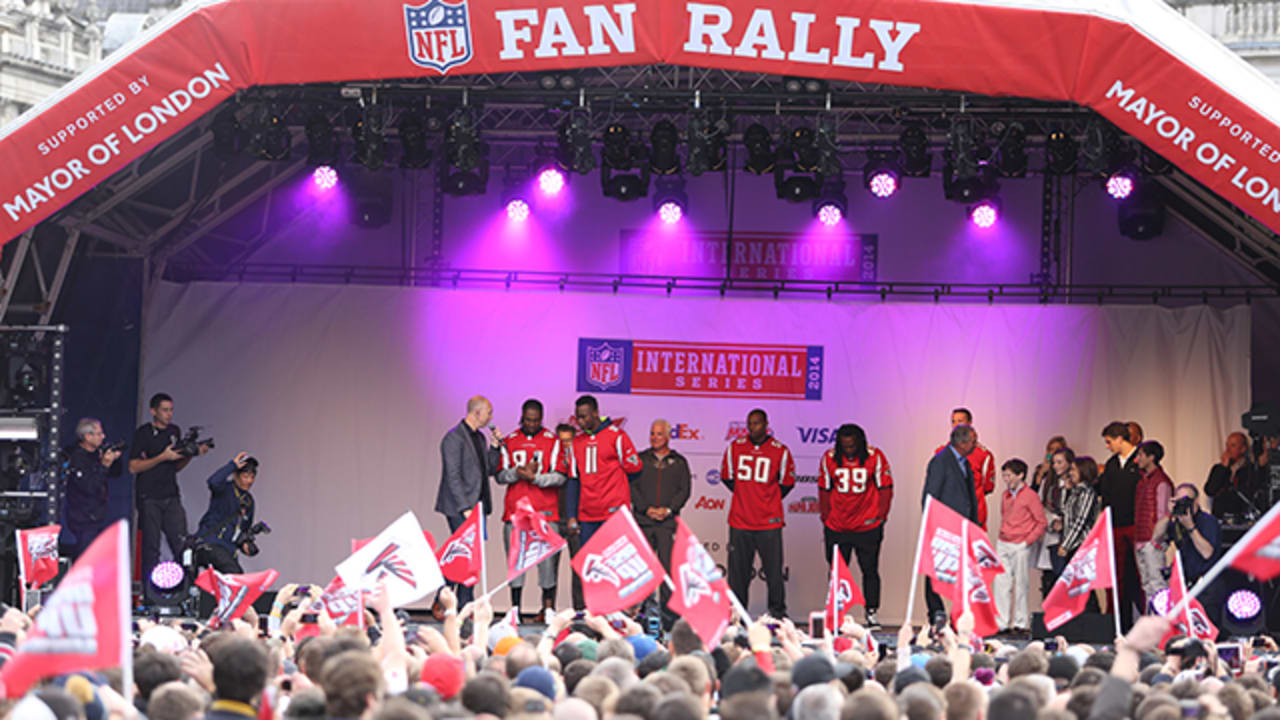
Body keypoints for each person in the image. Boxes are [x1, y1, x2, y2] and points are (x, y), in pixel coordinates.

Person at [721, 408, 796, 619]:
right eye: (750, 423)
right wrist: (747, 495)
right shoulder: (735, 447)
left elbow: (787, 483)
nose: (752, 427)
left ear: (766, 424)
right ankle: (738, 614)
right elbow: (728, 478)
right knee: (738, 574)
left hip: (768, 522)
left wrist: (766, 498)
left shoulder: (780, 450)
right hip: (740, 520)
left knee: (773, 572)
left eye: (757, 423)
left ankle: (778, 613)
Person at [496, 399, 567, 621]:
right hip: (516, 512)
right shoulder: (510, 440)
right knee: (516, 561)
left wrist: (535, 478)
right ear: (522, 417)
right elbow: (499, 476)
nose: (532, 424)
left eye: (536, 420)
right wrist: (518, 473)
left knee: (547, 563)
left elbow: (560, 476)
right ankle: (515, 610)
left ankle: (546, 609)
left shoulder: (552, 441)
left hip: (545, 510)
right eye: (528, 420)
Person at [817, 423, 893, 630]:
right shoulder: (830, 457)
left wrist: (880, 517)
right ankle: (836, 613)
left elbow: (885, 488)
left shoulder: (874, 456)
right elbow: (824, 490)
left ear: (859, 443)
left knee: (870, 570)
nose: (848, 450)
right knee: (836, 573)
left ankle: (871, 613)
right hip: (837, 526)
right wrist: (826, 517)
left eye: (852, 446)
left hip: (867, 526)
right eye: (845, 446)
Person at [129, 393, 210, 583]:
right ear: (153, 411)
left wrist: (191, 454)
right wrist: (161, 457)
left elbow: (175, 466)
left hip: (171, 494)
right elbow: (133, 466)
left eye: (171, 410)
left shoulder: (174, 431)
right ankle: (150, 594)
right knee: (151, 547)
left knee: (182, 544)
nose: (169, 414)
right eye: (164, 410)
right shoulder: (144, 433)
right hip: (149, 496)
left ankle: (183, 591)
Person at [435, 395, 502, 606]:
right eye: (489, 412)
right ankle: (446, 596)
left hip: (478, 506)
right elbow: (452, 476)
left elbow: (489, 469)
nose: (491, 417)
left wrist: (495, 446)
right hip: (459, 508)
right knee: (463, 554)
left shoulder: (480, 438)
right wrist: (465, 508)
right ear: (477, 412)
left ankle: (462, 601)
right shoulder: (454, 438)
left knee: (472, 557)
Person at [632, 419, 691, 629]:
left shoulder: (680, 462)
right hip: (643, 521)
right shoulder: (640, 459)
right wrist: (646, 509)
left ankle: (668, 617)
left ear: (668, 437)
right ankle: (643, 613)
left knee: (667, 571)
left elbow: (684, 491)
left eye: (658, 434)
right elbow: (632, 487)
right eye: (652, 433)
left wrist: (668, 510)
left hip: (667, 524)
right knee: (643, 570)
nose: (654, 437)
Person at [564, 395, 642, 548]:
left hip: (614, 514)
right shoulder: (576, 443)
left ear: (595, 413)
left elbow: (635, 470)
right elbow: (573, 481)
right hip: (587, 516)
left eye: (584, 417)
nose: (580, 422)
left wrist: (616, 492)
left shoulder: (617, 436)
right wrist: (572, 516)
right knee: (590, 565)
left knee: (615, 564)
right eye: (577, 417)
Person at [921, 424, 979, 625]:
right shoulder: (941, 461)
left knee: (963, 574)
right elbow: (930, 496)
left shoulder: (965, 462)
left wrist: (974, 526)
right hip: (944, 528)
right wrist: (933, 526)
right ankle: (936, 612)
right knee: (935, 572)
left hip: (963, 527)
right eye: (973, 440)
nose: (976, 444)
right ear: (962, 443)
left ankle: (960, 616)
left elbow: (968, 498)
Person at [1153, 483, 1223, 626]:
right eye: (1179, 501)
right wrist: (1169, 514)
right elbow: (1156, 538)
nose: (1183, 505)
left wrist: (1191, 527)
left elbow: (1207, 553)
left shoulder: (1208, 521)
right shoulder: (1177, 522)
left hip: (1207, 588)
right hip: (1186, 587)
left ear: (1196, 501)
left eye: (1186, 501)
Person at [1098, 421, 1142, 631]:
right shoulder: (1112, 464)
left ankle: (1143, 620)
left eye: (1109, 442)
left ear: (1119, 439)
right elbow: (1105, 494)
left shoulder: (1139, 460)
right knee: (1118, 577)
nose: (1107, 446)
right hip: (1115, 526)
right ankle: (1120, 623)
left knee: (1139, 574)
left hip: (1135, 525)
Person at [993, 458, 1045, 636]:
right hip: (1003, 542)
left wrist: (1026, 541)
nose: (1005, 479)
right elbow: (1005, 516)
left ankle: (1020, 623)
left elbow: (1041, 522)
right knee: (1001, 584)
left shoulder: (1030, 496)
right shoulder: (1005, 495)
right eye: (1004, 475)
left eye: (1008, 475)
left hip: (1020, 544)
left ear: (1020, 475)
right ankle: (1002, 623)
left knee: (1021, 584)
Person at [61, 418, 123, 559]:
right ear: (87, 436)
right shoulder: (77, 458)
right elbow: (89, 486)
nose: (103, 437)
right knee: (86, 555)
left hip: (98, 514)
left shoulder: (97, 454)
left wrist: (114, 459)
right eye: (99, 434)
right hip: (82, 515)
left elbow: (116, 473)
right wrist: (104, 465)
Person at [194, 452, 259, 574]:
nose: (250, 481)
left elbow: (244, 529)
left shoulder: (249, 501)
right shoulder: (225, 489)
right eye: (246, 476)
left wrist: (245, 544)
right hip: (210, 543)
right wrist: (232, 465)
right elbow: (213, 482)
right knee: (235, 576)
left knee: (235, 581)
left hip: (228, 550)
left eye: (252, 477)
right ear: (236, 475)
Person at [934, 408, 996, 530]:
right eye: (953, 421)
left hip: (974, 518)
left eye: (960, 421)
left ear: (970, 423)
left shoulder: (983, 455)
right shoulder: (940, 453)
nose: (956, 425)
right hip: (948, 517)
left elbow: (988, 487)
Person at [1132, 440, 1173, 601]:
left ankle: (1162, 622)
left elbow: (1163, 514)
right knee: (1146, 585)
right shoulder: (1143, 481)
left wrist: (1156, 540)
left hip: (1152, 541)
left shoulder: (1161, 482)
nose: (1138, 459)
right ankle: (1151, 621)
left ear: (1152, 457)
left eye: (1141, 455)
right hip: (1140, 539)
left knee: (1157, 584)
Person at [1061, 456, 1102, 613]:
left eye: (1073, 469)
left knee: (1084, 587)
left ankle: (1094, 619)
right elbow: (1064, 511)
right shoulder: (1075, 492)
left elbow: (1080, 521)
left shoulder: (1087, 493)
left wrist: (1066, 544)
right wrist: (1066, 490)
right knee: (1074, 588)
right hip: (1072, 545)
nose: (1070, 473)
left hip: (1081, 546)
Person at [555, 422, 585, 611]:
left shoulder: (582, 462)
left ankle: (580, 609)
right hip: (554, 517)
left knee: (578, 567)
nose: (566, 445)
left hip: (575, 519)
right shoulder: (549, 461)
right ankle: (547, 610)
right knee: (549, 570)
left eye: (569, 441)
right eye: (562, 441)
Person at [1036, 447, 1073, 598]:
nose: (1056, 466)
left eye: (1060, 462)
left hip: (1071, 537)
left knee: (1069, 578)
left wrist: (1065, 522)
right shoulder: (1049, 483)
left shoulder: (1076, 483)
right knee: (1054, 576)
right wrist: (1053, 522)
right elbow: (1040, 507)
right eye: (1054, 462)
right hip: (1053, 537)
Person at [1204, 432, 1265, 521]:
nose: (1228, 449)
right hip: (1221, 517)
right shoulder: (1218, 468)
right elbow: (1210, 490)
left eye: (1232, 445)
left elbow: (1251, 492)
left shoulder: (1250, 469)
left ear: (1243, 449)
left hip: (1242, 517)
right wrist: (1223, 468)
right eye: (1227, 445)